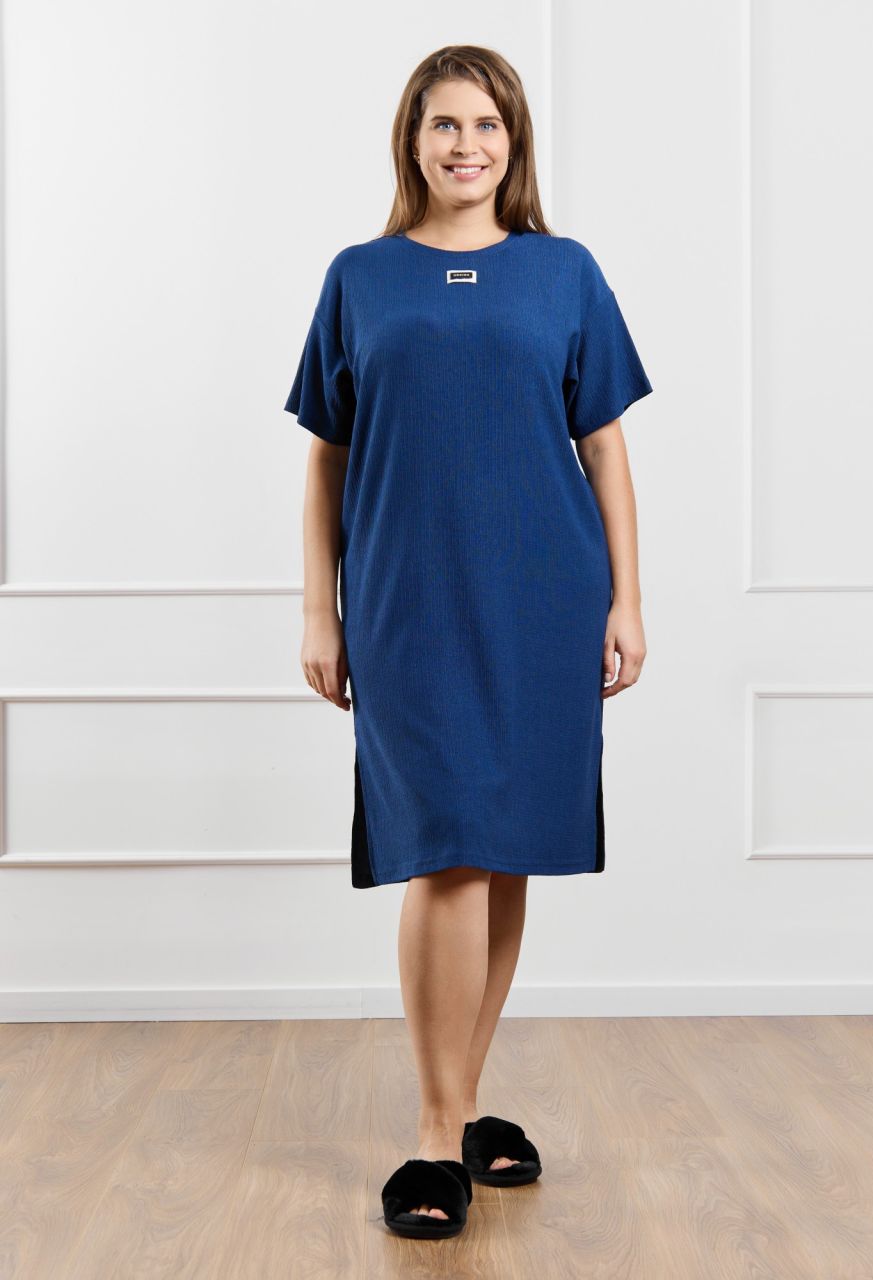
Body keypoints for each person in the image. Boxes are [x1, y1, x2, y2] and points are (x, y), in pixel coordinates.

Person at [283, 44, 653, 1239]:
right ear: (412, 140)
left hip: (545, 598)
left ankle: (461, 1101)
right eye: (443, 124)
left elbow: (604, 447)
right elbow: (327, 458)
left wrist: (627, 599)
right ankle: (438, 1135)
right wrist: (319, 607)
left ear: (514, 142)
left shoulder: (564, 272)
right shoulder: (360, 277)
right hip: (407, 603)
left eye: (486, 125)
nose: (465, 145)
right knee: (444, 849)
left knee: (502, 854)